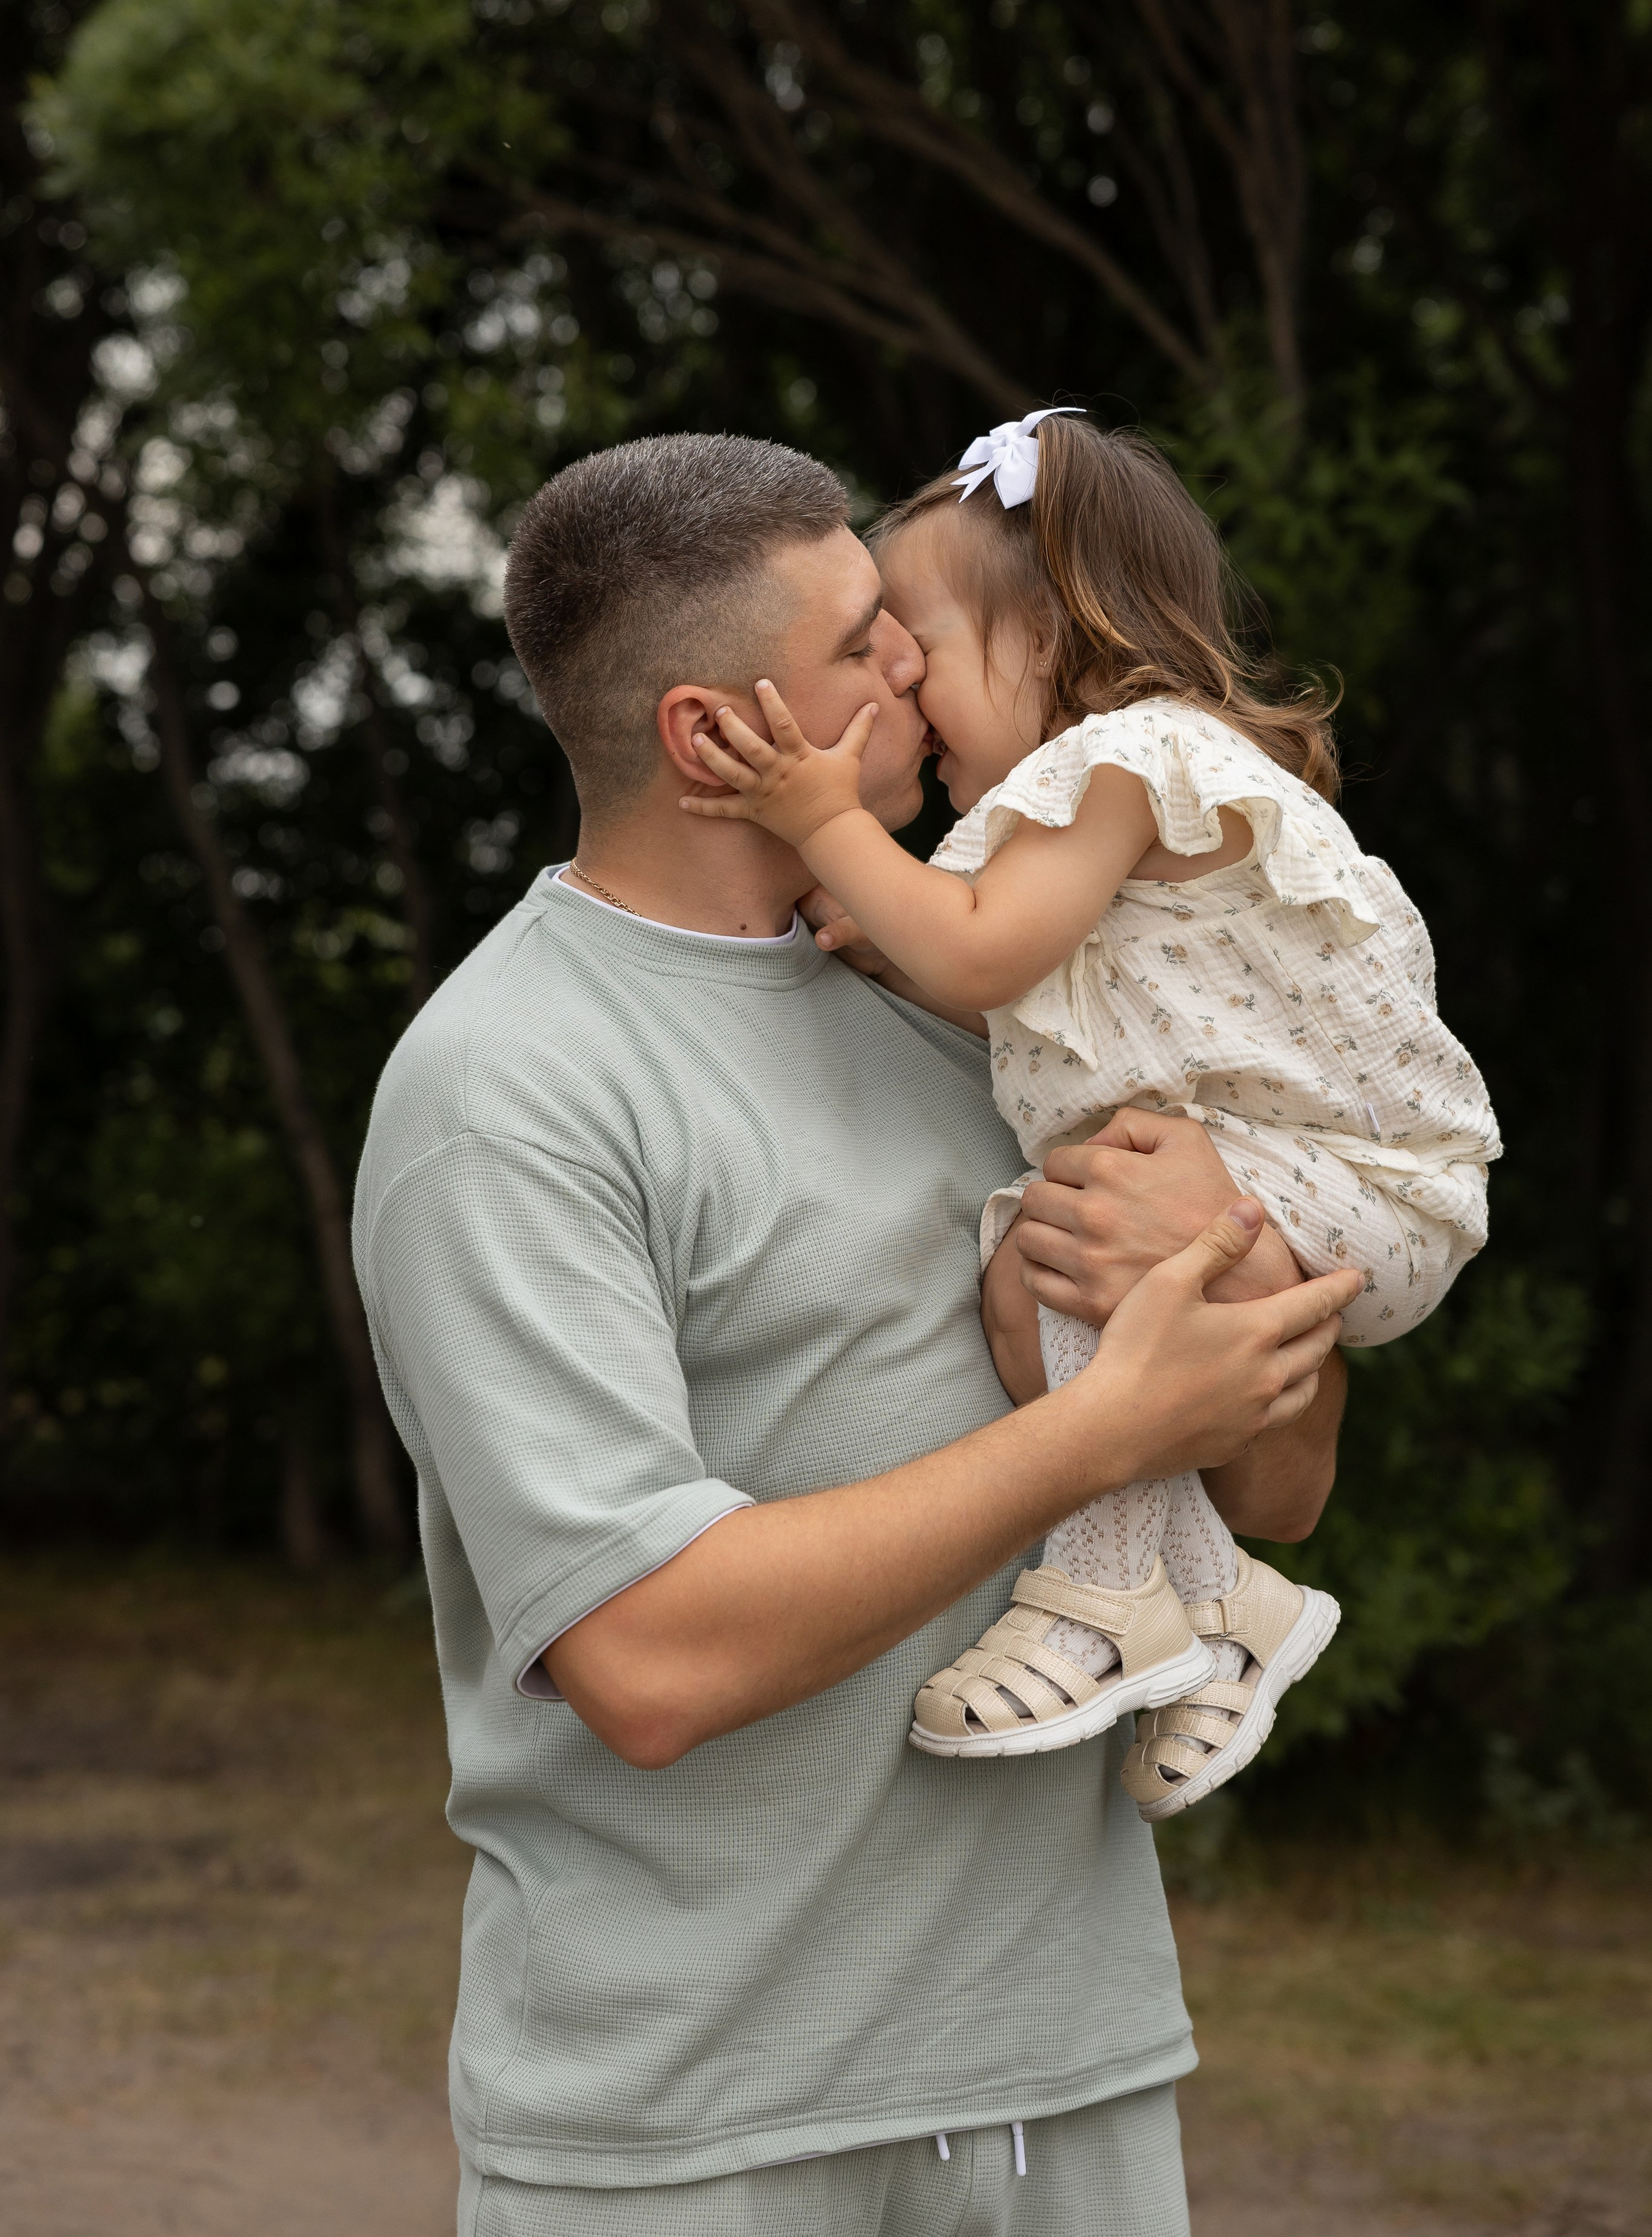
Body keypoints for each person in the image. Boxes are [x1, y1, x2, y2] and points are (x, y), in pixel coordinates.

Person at [352, 430, 1360, 2237]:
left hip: (1071, 2077)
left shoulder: (1003, 1006)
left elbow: (1280, 1484)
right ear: (711, 738)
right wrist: (1099, 1432)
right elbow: (647, 1663)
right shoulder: (506, 1093)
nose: (917, 663)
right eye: (861, 645)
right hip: (689, 2129)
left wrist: (1233, 1266)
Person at [678, 410, 1500, 1819]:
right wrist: (895, 939)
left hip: (1343, 1177)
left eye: (917, 646)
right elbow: (1038, 1012)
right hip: (1321, 1191)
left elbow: (986, 957)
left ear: (1047, 643)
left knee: (1055, 1244)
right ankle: (1221, 1601)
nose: (899, 681)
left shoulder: (1117, 762)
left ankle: (1103, 1592)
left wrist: (828, 826)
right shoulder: (1106, 794)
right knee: (1025, 1289)